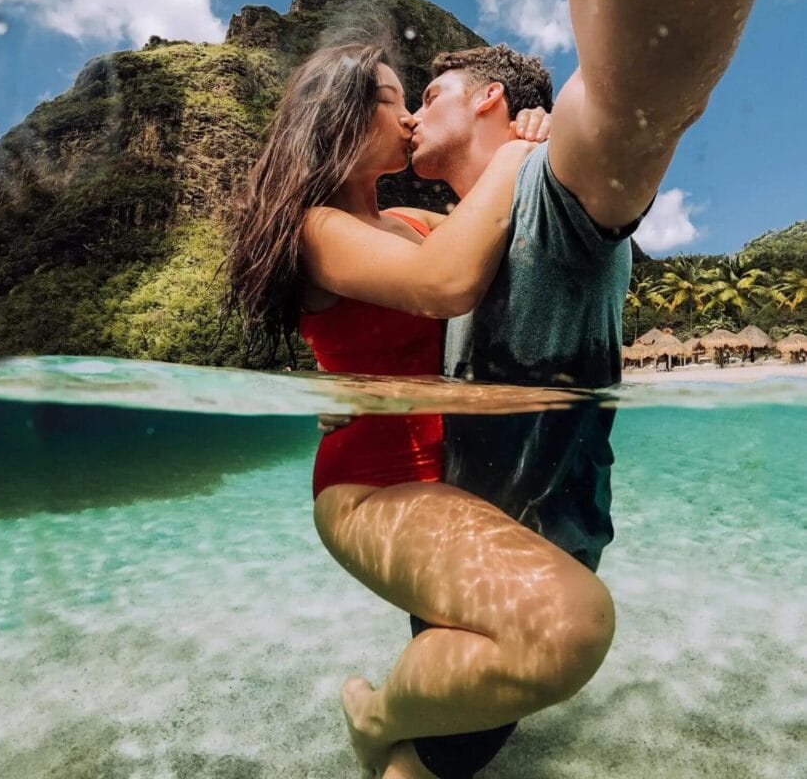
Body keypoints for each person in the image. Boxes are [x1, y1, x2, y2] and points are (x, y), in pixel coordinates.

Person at [351, 0, 798, 776]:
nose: (415, 110)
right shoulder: (445, 239)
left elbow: (645, 84)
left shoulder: (558, 198)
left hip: (532, 581)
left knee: (430, 756)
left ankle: (380, 725)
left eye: (434, 87)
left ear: (498, 104)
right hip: (457, 565)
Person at [224, 42, 615, 778]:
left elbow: (514, 244)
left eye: (417, 100)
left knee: (495, 674)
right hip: (372, 489)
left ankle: (411, 746)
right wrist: (510, 160)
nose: (407, 119)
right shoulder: (315, 230)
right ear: (338, 115)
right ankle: (373, 714)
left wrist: (528, 140)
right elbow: (442, 287)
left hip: (452, 484)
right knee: (564, 625)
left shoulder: (411, 219)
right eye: (391, 99)